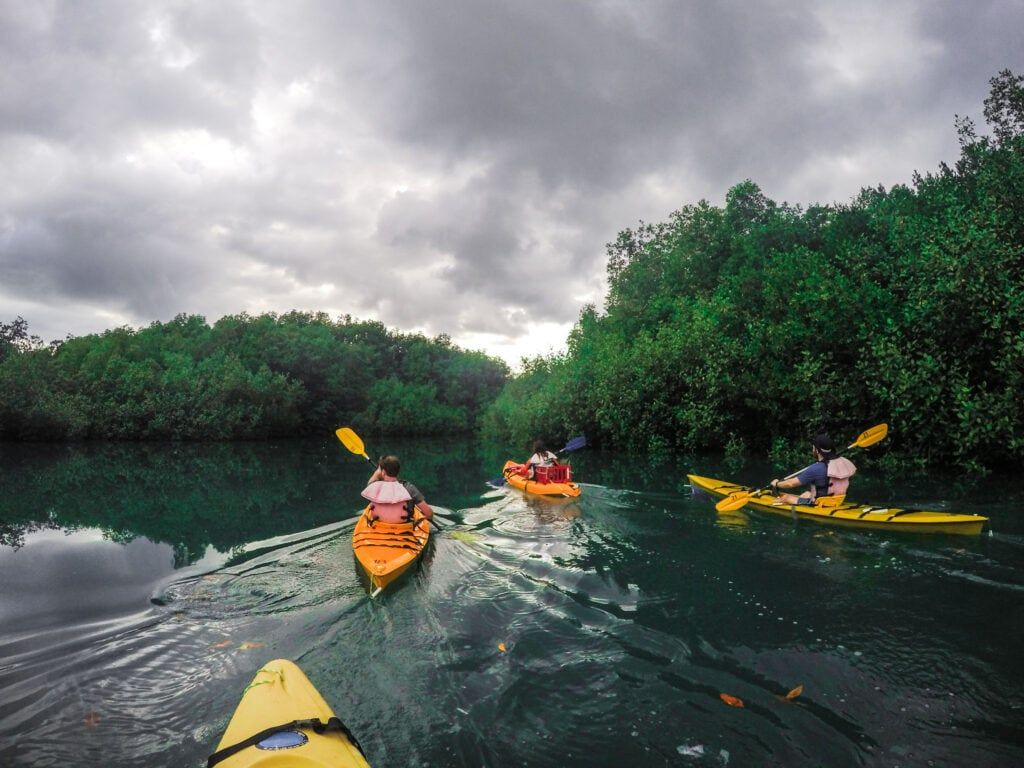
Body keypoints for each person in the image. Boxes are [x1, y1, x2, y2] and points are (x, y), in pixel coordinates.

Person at [770, 433, 855, 506]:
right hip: (838, 501)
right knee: (806, 494)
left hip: (820, 504)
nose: (812, 449)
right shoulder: (842, 462)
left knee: (786, 498)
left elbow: (790, 484)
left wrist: (777, 484)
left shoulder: (816, 468)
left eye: (813, 447)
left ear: (817, 451)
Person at [363, 455, 433, 522]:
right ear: (398, 470)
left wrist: (379, 471)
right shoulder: (409, 488)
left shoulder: (373, 487)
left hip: (379, 525)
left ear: (383, 472)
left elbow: (370, 482)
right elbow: (429, 514)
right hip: (404, 526)